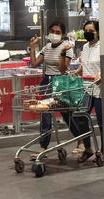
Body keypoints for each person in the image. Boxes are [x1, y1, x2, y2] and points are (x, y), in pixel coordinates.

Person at [29, 21, 78, 158]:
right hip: (47, 81)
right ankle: (43, 146)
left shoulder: (67, 47)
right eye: (53, 32)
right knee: (45, 113)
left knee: (66, 115)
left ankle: (81, 140)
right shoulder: (47, 47)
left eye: (58, 32)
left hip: (60, 82)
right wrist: (32, 48)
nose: (55, 34)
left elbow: (63, 69)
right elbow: (34, 64)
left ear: (62, 35)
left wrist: (62, 54)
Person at [71, 20, 102, 162]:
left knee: (102, 122)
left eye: (91, 30)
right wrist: (76, 72)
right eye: (86, 31)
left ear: (98, 32)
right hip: (86, 89)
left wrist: (100, 75)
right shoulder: (84, 47)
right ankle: (88, 148)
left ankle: (102, 152)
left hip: (100, 90)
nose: (88, 33)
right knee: (79, 116)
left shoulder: (102, 47)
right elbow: (84, 66)